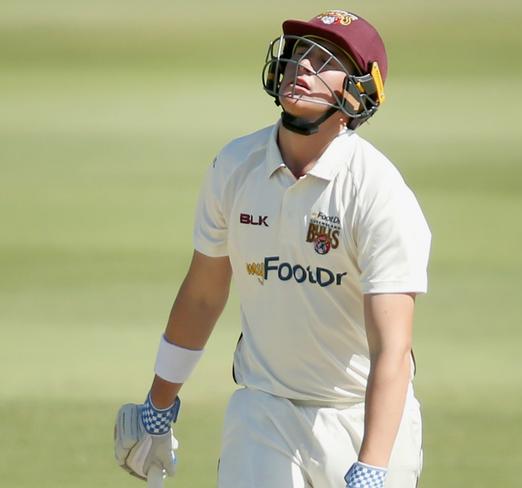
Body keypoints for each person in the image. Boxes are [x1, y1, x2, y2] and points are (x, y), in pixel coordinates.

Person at [114, 9, 431, 488]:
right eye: (300, 53)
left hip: (361, 415)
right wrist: (158, 406)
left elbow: (392, 347)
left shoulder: (378, 192)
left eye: (325, 60)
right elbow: (203, 295)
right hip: (264, 409)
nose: (302, 65)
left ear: (359, 92)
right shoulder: (235, 165)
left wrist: (372, 465)